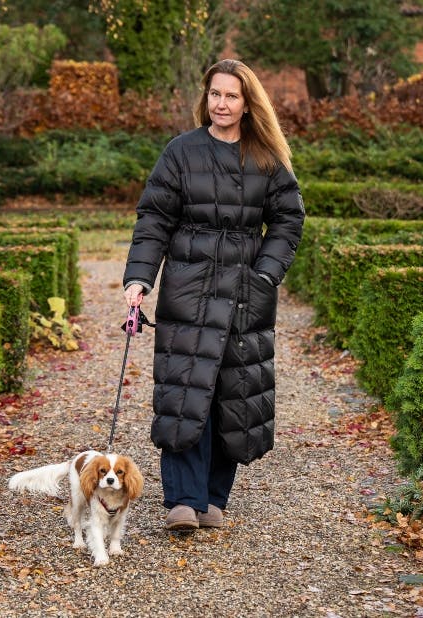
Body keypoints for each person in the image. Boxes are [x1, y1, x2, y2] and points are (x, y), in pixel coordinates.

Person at [123, 58, 305, 530]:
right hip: (188, 287)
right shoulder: (180, 151)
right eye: (214, 94)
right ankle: (184, 499)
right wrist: (139, 278)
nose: (220, 103)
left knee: (234, 393)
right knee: (186, 388)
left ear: (247, 104)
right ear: (205, 98)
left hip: (246, 292)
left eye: (231, 96)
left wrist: (265, 273)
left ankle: (213, 497)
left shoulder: (266, 157)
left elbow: (288, 219)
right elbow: (154, 219)